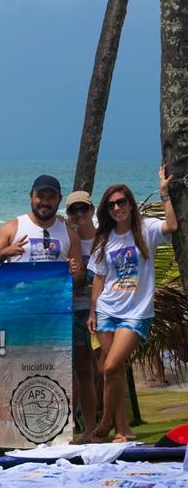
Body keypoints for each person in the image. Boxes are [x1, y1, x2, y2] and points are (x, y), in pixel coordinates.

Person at [75, 168, 178, 444]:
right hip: (107, 309)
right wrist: (93, 312)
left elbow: (172, 226)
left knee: (109, 368)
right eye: (111, 205)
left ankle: (105, 422)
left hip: (136, 313)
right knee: (113, 370)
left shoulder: (147, 229)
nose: (117, 208)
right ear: (106, 210)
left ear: (130, 204)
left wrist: (165, 193)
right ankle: (123, 430)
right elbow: (99, 278)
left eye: (121, 202)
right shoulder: (104, 239)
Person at [65, 191, 98, 436]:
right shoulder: (65, 239)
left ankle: (97, 426)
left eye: (83, 209)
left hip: (99, 312)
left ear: (92, 210)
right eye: (73, 210)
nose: (79, 215)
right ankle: (76, 426)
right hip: (70, 312)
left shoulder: (104, 239)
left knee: (104, 370)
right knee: (76, 371)